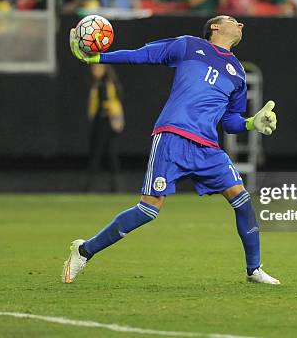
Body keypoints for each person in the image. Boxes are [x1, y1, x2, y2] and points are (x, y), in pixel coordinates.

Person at [64, 15, 280, 285]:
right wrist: (97, 59)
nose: (241, 24)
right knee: (148, 210)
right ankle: (84, 251)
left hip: (208, 148)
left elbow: (229, 122)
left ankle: (254, 269)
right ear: (215, 27)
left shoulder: (237, 71)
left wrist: (251, 122)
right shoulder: (188, 46)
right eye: (233, 20)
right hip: (173, 136)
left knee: (242, 200)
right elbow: (141, 55)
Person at [86, 64, 124, 192]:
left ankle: (90, 186)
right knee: (108, 152)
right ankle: (114, 187)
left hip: (104, 122)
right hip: (101, 121)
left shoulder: (105, 85)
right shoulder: (100, 84)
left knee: (99, 152)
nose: (94, 71)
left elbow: (111, 104)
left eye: (97, 68)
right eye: (93, 68)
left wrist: (115, 118)